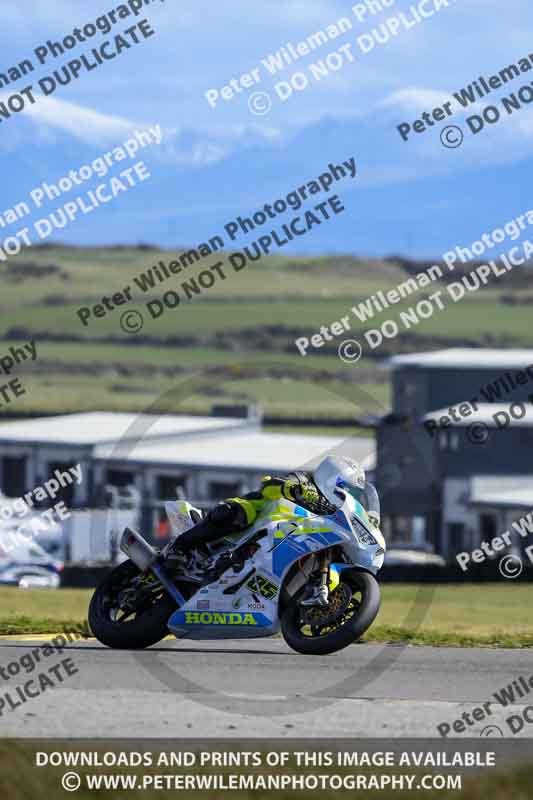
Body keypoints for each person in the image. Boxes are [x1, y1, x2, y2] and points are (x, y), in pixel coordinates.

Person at [172, 455, 375, 555]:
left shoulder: (333, 514)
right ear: (331, 477)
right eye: (344, 487)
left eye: (352, 492)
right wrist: (292, 488)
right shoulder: (305, 481)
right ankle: (179, 548)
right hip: (256, 522)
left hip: (281, 543)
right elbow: (270, 486)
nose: (346, 494)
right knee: (239, 512)